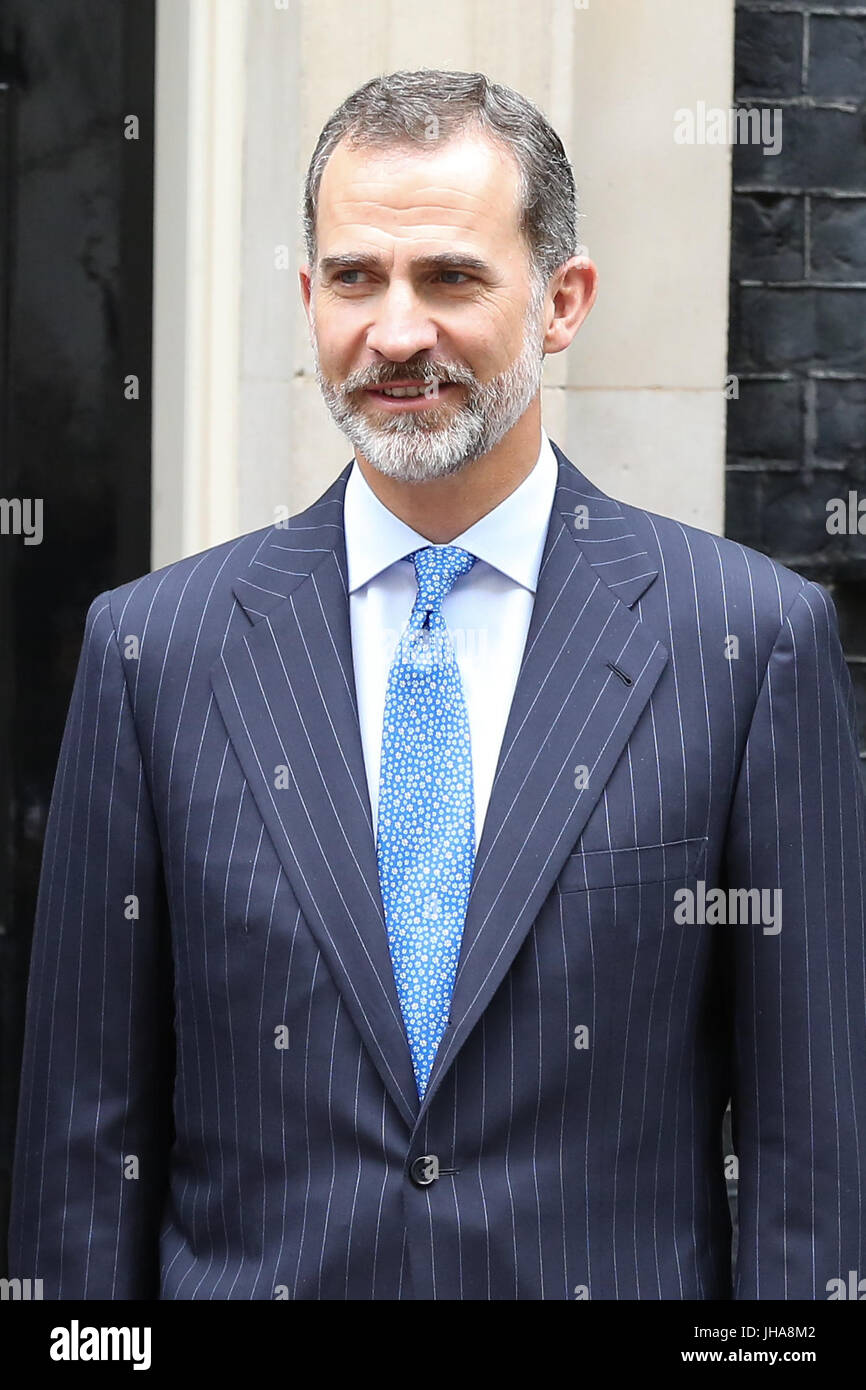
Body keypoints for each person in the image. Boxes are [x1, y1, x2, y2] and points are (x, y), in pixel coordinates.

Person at [9, 68, 866, 1301]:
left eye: (451, 278)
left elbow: (809, 1158)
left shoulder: (746, 642)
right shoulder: (155, 651)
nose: (395, 332)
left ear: (561, 300)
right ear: (308, 298)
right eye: (355, 277)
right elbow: (85, 1148)